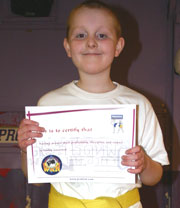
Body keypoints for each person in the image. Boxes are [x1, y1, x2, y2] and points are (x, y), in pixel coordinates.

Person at [18, 0, 169, 207]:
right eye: (81, 35)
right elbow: (36, 177)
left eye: (102, 35)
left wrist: (144, 164)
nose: (91, 42)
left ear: (118, 46)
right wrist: (26, 149)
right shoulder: (48, 104)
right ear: (68, 47)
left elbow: (155, 176)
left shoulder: (138, 105)